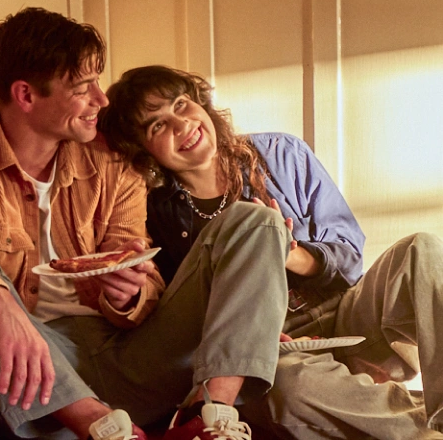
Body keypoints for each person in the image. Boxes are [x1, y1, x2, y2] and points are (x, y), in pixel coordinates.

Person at [0, 8, 295, 440]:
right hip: (33, 383)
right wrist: (0, 304)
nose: (101, 100)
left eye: (96, 81)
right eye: (82, 87)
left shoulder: (112, 165)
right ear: (26, 95)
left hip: (127, 359)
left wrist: (130, 294)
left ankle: (210, 416)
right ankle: (100, 427)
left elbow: (144, 284)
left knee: (256, 222)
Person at [97, 64, 443, 440]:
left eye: (181, 105)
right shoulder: (155, 211)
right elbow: (182, 318)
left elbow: (349, 255)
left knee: (421, 250)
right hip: (274, 356)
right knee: (293, 389)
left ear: (200, 104)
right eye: (157, 126)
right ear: (144, 150)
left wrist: (291, 256)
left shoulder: (282, 153)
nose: (181, 126)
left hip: (346, 318)